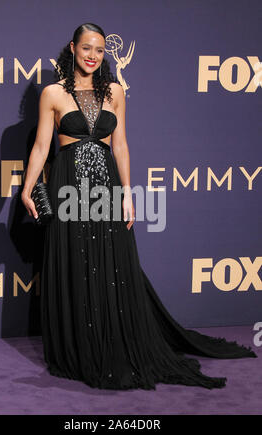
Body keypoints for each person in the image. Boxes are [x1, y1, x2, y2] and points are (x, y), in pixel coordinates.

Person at [21, 23, 257, 390]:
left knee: (109, 264)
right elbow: (40, 147)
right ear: (72, 48)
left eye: (99, 50)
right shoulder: (53, 93)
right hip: (69, 187)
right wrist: (26, 188)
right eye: (86, 48)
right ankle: (81, 348)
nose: (92, 56)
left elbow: (120, 146)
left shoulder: (115, 90)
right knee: (75, 262)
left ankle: (112, 341)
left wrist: (128, 193)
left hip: (107, 188)